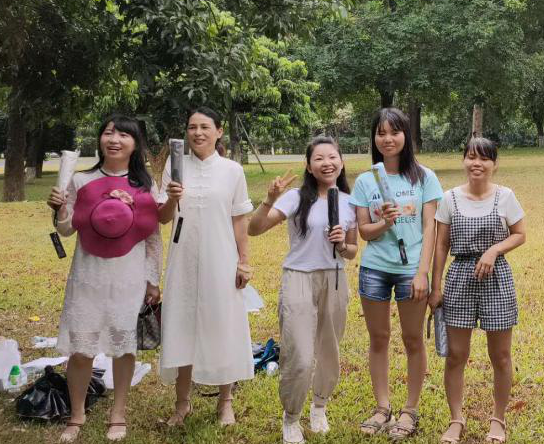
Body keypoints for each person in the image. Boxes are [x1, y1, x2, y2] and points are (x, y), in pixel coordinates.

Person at [47, 115, 162, 442]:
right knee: (81, 348)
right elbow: (66, 230)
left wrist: (153, 280)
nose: (115, 139)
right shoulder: (81, 180)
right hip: (88, 274)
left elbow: (152, 237)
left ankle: (118, 413)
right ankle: (77, 413)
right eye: (109, 133)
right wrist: (58, 209)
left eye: (124, 135)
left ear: (135, 144)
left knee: (124, 346)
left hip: (129, 275)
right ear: (100, 140)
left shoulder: (144, 186)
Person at [247, 137, 358, 443]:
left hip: (334, 279)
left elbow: (352, 251)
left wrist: (342, 244)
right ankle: (291, 417)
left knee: (329, 350)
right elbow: (255, 229)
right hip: (298, 277)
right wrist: (269, 198)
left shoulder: (349, 201)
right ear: (309, 166)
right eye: (319, 158)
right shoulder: (296, 198)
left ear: (341, 162)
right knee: (299, 353)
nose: (327, 163)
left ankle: (319, 407)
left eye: (332, 157)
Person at [157, 107, 255, 427]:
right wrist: (172, 198)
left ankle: (225, 402)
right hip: (182, 261)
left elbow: (239, 219)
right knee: (182, 325)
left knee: (222, 324)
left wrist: (244, 262)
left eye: (204, 127)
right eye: (191, 127)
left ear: (219, 131)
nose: (197, 133)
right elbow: (163, 217)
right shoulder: (176, 167)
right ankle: (182, 404)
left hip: (221, 259)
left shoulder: (232, 170)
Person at [350, 107, 443, 439]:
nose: (387, 139)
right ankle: (382, 407)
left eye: (394, 132)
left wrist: (422, 273)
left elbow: (430, 228)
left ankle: (410, 410)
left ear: (406, 135)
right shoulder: (365, 180)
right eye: (380, 133)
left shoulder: (424, 177)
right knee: (379, 339)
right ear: (374, 138)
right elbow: (364, 233)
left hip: (410, 269)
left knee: (413, 339)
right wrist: (385, 222)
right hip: (375, 267)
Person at [429, 137, 527, 444]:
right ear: (463, 161)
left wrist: (494, 250)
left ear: (494, 164)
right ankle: (456, 419)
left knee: (500, 355)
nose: (476, 163)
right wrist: (436, 285)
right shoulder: (450, 198)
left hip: (496, 278)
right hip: (459, 278)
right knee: (456, 355)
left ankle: (498, 419)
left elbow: (520, 234)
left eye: (484, 158)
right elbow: (442, 244)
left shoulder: (505, 196)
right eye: (471, 157)